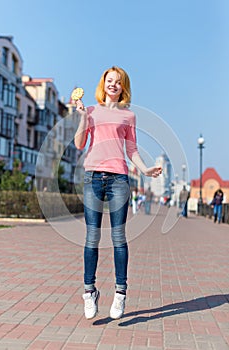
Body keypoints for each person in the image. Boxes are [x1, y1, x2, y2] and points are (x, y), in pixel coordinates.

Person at [74, 66, 162, 320]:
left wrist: (145, 169)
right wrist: (82, 117)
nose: (113, 84)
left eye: (118, 82)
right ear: (103, 84)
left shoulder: (129, 116)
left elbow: (132, 149)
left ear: (124, 87)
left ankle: (120, 293)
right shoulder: (90, 111)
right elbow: (80, 144)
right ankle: (89, 292)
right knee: (91, 237)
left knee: (118, 237)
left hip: (119, 180)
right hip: (92, 177)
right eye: (109, 80)